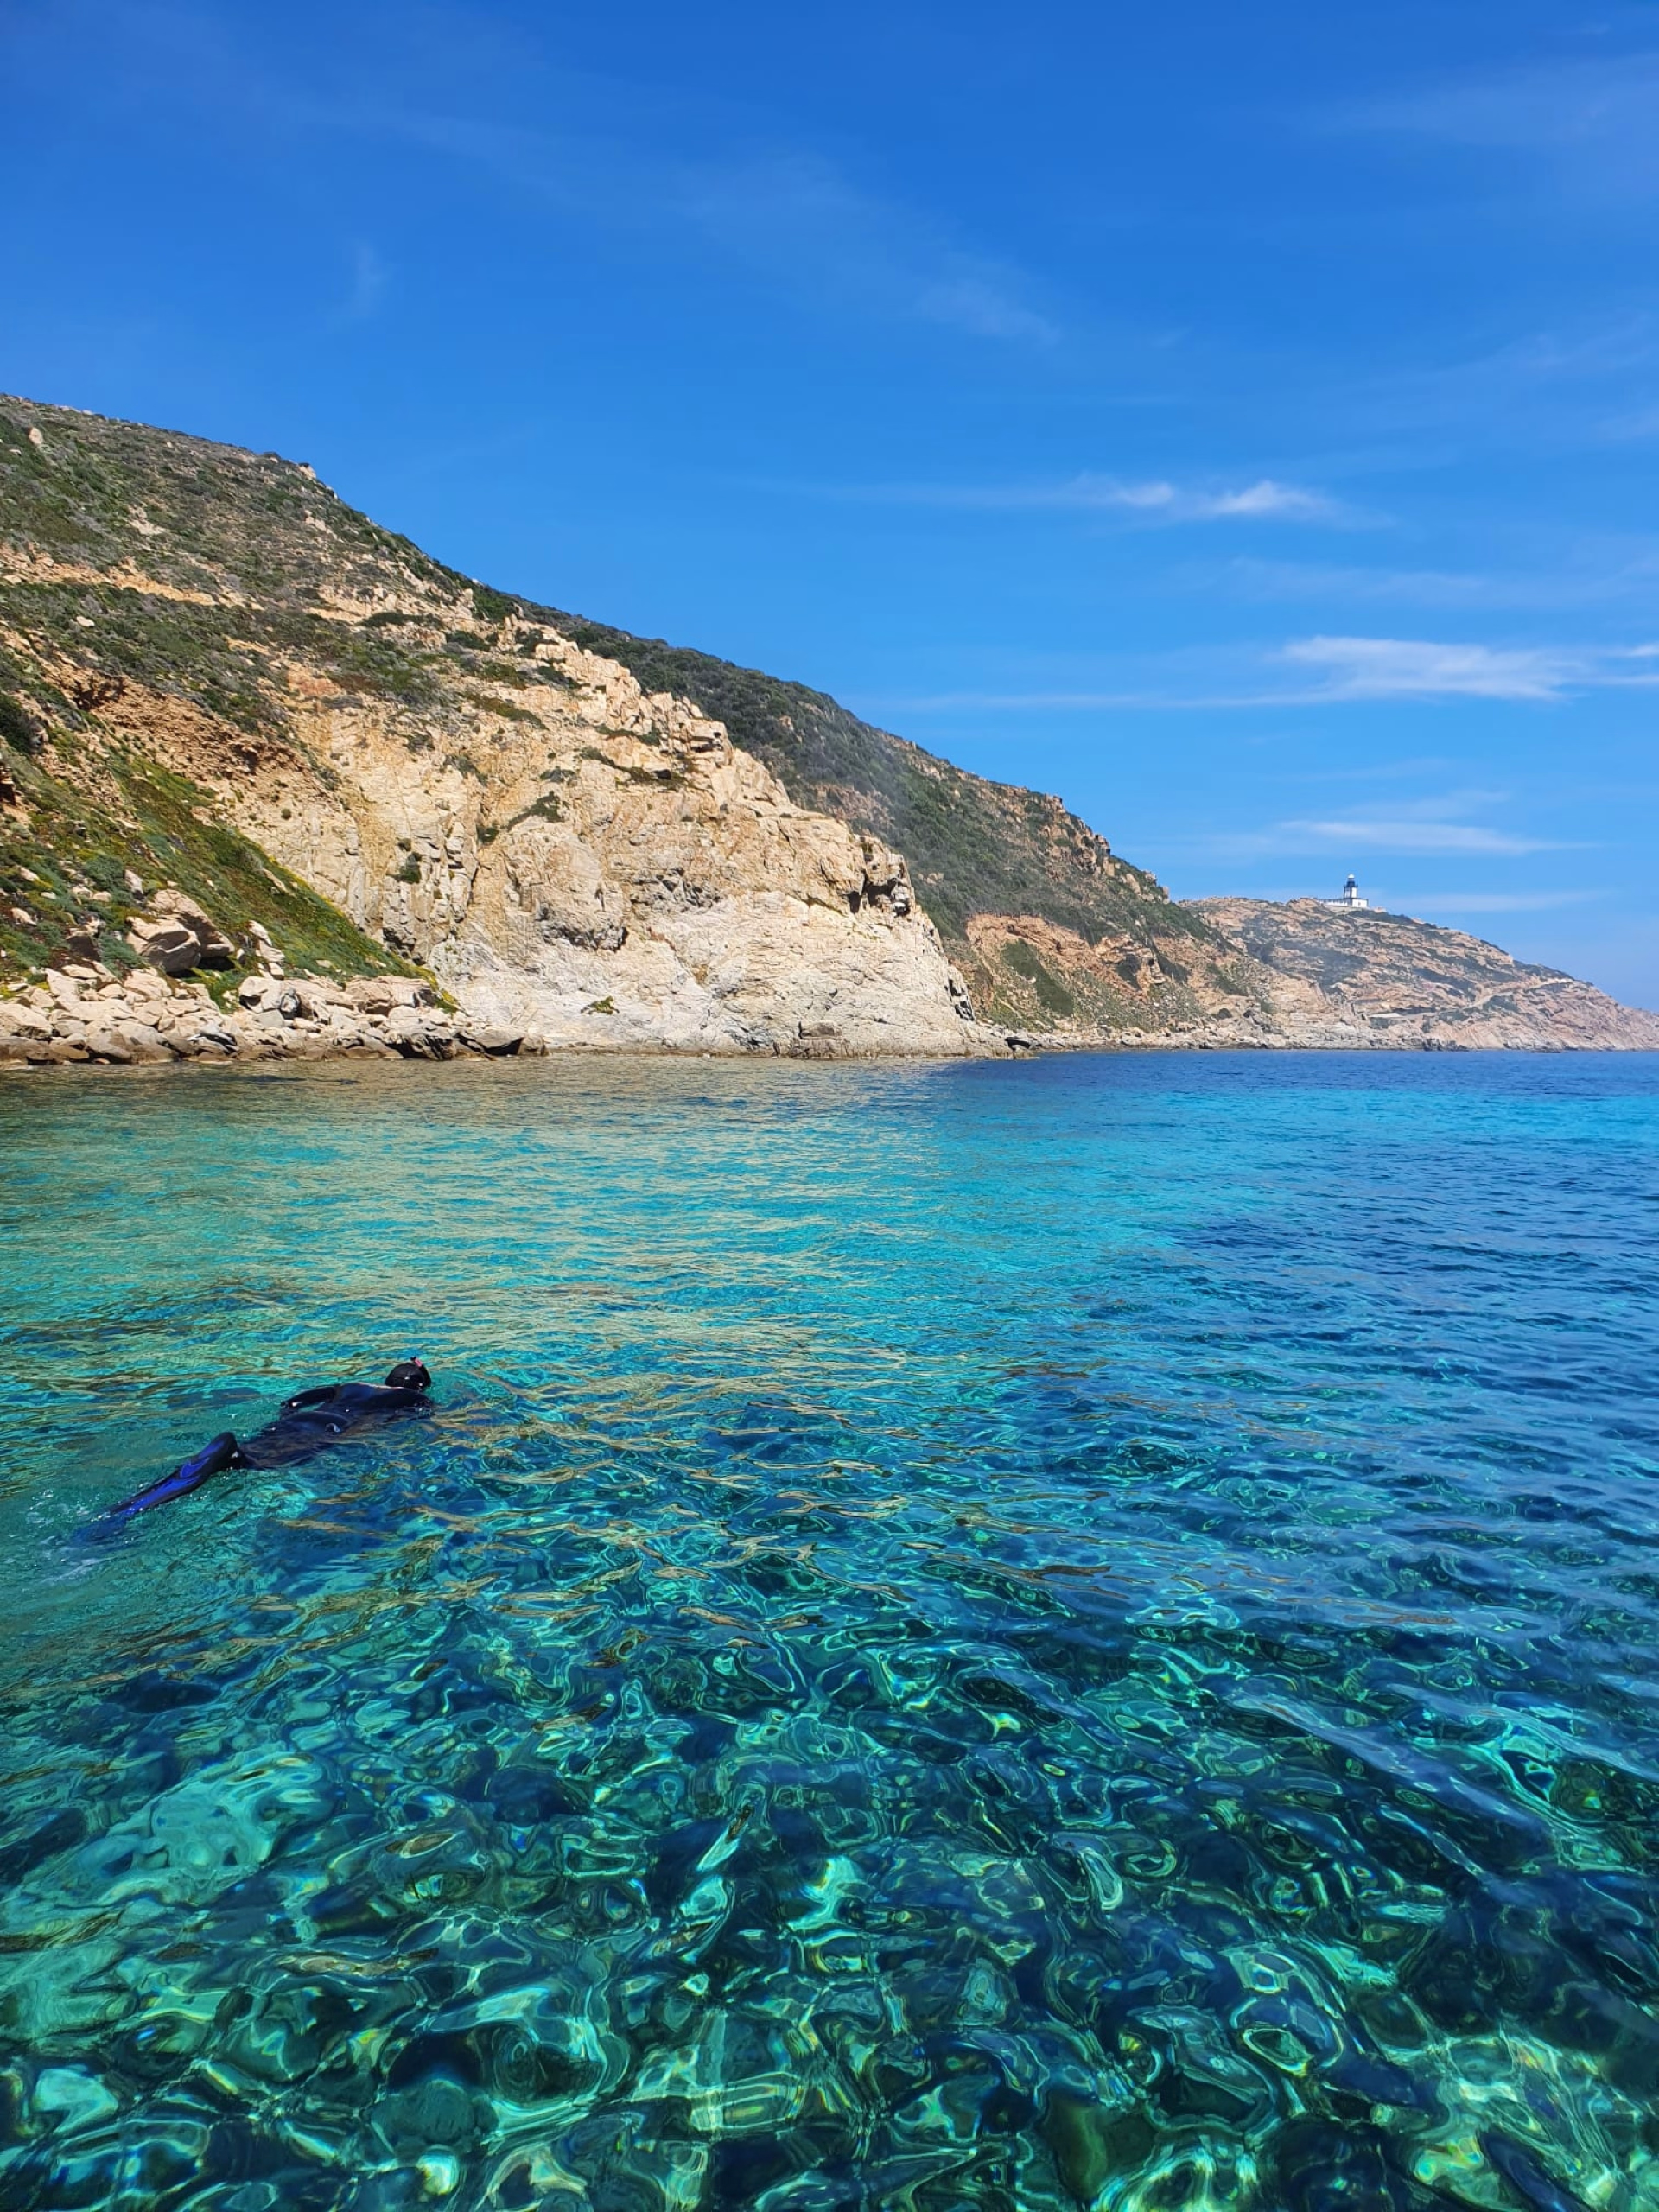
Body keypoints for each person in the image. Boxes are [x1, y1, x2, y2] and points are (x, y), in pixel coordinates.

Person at [95, 1360, 433, 1529]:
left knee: (245, 1453)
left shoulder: (351, 1384)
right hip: (325, 1432)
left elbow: (295, 1402)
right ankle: (221, 1460)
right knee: (254, 1463)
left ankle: (133, 1505)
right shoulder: (409, 1398)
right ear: (418, 1386)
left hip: (294, 1424)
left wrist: (286, 1415)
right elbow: (421, 1421)